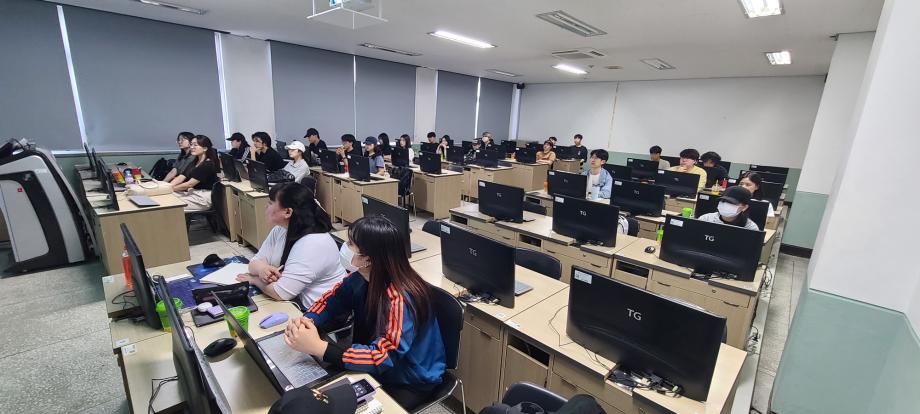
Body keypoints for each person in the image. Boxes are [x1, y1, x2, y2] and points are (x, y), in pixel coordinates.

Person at [284, 216, 446, 409]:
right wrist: (306, 321)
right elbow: (330, 301)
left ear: (368, 259)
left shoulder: (401, 299)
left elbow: (383, 357)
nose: (344, 247)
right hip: (374, 361)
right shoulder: (360, 277)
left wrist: (320, 348)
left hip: (408, 379)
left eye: (350, 244)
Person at [235, 182, 347, 308]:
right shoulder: (281, 229)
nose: (266, 207)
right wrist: (262, 270)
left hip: (316, 310)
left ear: (288, 212)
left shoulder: (313, 243)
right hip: (294, 299)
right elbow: (255, 262)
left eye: (271, 203)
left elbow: (281, 293)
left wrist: (255, 280)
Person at [171, 135, 220, 211]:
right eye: (191, 144)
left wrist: (170, 189)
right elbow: (181, 177)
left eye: (195, 145)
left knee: (169, 204)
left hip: (202, 198)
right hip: (193, 193)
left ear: (205, 148)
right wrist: (168, 187)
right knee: (166, 196)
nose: (192, 147)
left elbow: (189, 184)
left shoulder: (207, 164)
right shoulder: (194, 161)